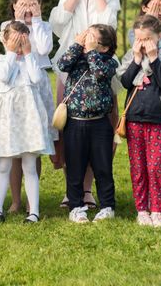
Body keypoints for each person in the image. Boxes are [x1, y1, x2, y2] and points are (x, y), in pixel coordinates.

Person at [49, 0, 120, 209]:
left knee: (100, 129)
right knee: (70, 129)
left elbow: (108, 22)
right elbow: (57, 24)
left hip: (100, 66)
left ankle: (89, 190)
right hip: (71, 69)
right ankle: (73, 190)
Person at [0, 21, 54, 224]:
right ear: (5, 41)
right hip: (8, 118)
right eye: (14, 40)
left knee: (30, 164)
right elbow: (4, 76)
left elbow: (36, 78)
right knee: (4, 163)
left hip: (29, 118)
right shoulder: (1, 59)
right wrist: (12, 52)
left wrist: (29, 53)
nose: (19, 45)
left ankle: (34, 211)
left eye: (22, 41)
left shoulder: (31, 61)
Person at [0, 0, 54, 214]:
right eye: (23, 3)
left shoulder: (44, 26)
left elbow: (43, 49)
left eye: (33, 3)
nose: (28, 7)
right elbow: (10, 50)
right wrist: (21, 24)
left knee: (34, 144)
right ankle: (15, 200)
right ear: (14, 6)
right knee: (14, 145)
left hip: (38, 85)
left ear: (39, 6)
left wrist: (37, 23)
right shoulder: (6, 26)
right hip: (15, 86)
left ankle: (33, 201)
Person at [118, 15, 161, 229]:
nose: (144, 43)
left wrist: (153, 58)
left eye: (148, 38)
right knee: (139, 168)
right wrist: (135, 59)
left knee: (155, 167)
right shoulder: (131, 56)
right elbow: (125, 83)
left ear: (160, 35)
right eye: (140, 39)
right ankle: (142, 210)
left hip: (158, 120)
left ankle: (158, 211)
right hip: (135, 118)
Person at [57, 25, 118, 223]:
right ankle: (76, 206)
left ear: (105, 47)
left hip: (99, 123)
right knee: (74, 166)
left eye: (93, 39)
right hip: (75, 122)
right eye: (86, 37)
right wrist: (76, 44)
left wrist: (92, 51)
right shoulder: (76, 59)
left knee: (103, 167)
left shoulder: (109, 62)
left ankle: (107, 206)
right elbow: (62, 64)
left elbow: (100, 73)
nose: (86, 42)